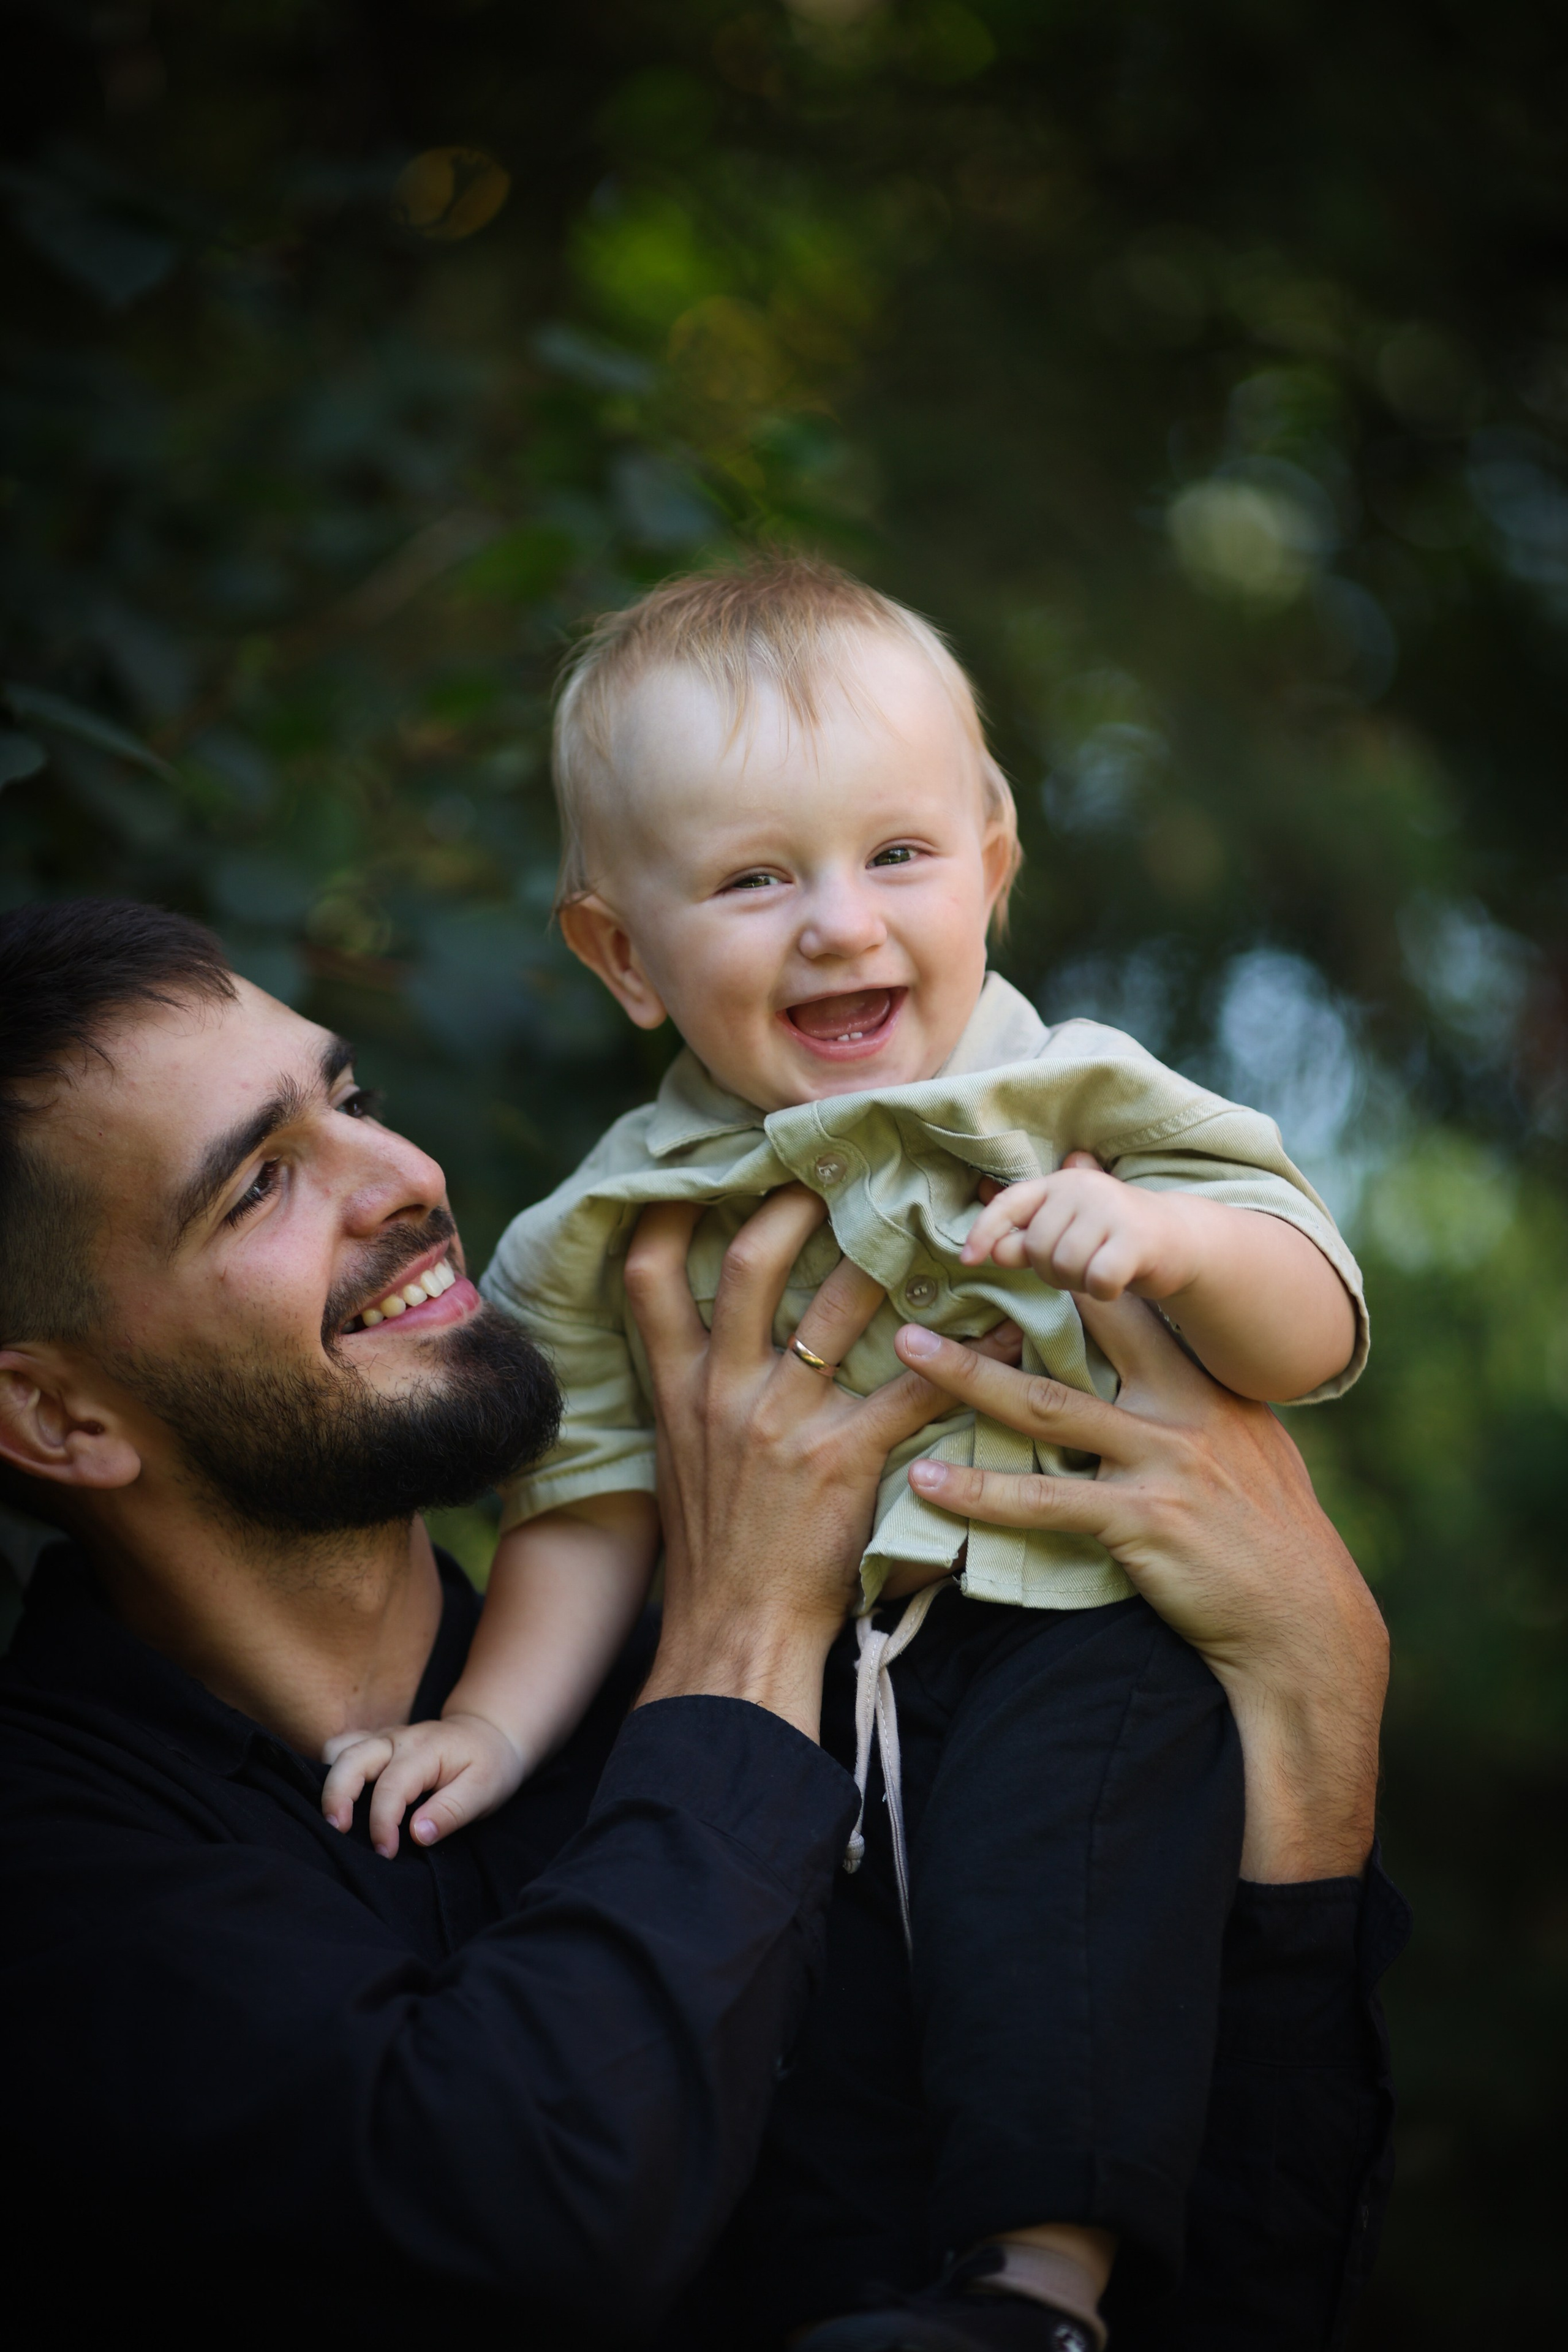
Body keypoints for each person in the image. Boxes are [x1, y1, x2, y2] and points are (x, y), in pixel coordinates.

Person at [0, 899, 1403, 2350]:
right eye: (259, 1186)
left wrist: (1314, 1695)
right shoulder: (52, 1872)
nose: (405, 1178)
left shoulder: (785, 1708)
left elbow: (1214, 2294)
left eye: (351, 1102)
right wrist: (740, 1628)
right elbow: (529, 2222)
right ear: (56, 1414)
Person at [327, 559, 1370, 2344]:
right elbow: (584, 1511)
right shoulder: (612, 1224)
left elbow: (1320, 1317)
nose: (839, 923)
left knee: (1068, 1926)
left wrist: (1176, 1243)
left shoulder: (1078, 1101)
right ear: (623, 955)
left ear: (993, 866)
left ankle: (1047, 2288)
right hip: (814, 1685)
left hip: (1081, 1628)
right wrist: (487, 1725)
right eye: (753, 879)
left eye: (897, 856)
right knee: (822, 2011)